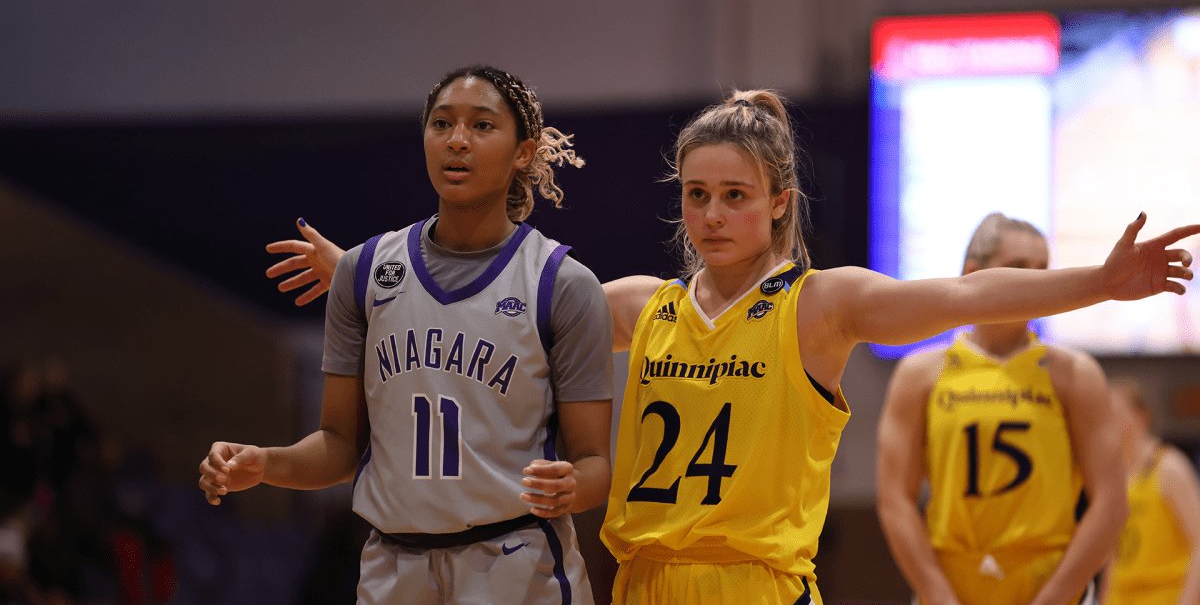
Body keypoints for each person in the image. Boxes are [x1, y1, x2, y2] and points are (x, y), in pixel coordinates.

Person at [263, 89, 1199, 605]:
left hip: (753, 586)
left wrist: (1097, 282)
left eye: (736, 195)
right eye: (697, 194)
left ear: (779, 202)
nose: (712, 215)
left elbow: (962, 291)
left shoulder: (819, 306)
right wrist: (354, 267)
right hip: (641, 579)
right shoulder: (644, 304)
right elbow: (500, 298)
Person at [198, 65, 615, 605]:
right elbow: (340, 446)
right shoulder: (363, 271)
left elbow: (595, 465)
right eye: (442, 123)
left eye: (482, 126)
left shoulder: (562, 283)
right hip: (392, 569)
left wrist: (573, 488)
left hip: (514, 567)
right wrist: (265, 463)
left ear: (523, 152)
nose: (457, 140)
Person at [874, 213, 1126, 605]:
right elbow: (895, 500)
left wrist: (1055, 598)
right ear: (973, 272)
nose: (1035, 283)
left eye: (1043, 271)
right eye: (1019, 269)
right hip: (950, 588)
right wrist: (937, 593)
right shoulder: (920, 374)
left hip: (1053, 588)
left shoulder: (1076, 373)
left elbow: (1110, 503)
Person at [1103, 378, 1200, 605]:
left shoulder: (1169, 467)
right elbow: (1114, 557)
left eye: (1114, 412)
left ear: (1140, 415)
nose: (1107, 421)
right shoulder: (1116, 477)